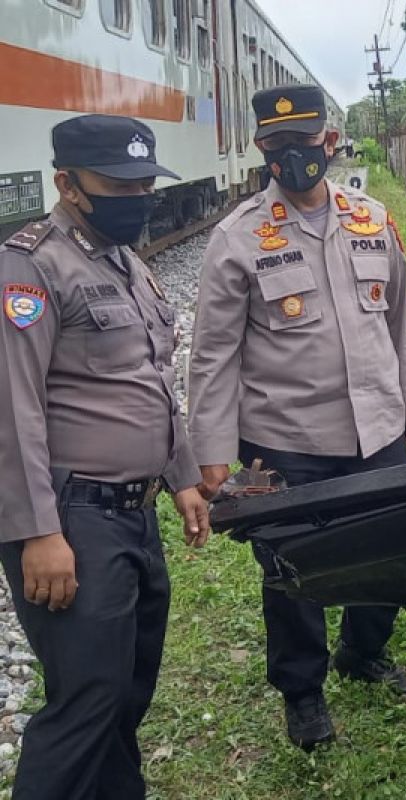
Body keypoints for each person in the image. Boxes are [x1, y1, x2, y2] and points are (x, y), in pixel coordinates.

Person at [187, 85, 406, 751]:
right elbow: (213, 355)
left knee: (387, 555)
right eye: (277, 144)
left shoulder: (372, 220)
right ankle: (302, 693)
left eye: (305, 139)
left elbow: (401, 322)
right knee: (292, 572)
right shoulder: (237, 239)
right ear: (262, 149)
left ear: (329, 140)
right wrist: (212, 451)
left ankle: (364, 652)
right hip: (285, 439)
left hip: (378, 429)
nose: (293, 154)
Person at [0, 114, 210, 800]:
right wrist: (38, 532)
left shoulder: (126, 264)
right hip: (72, 518)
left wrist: (180, 479)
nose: (138, 196)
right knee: (87, 700)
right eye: (119, 183)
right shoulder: (28, 266)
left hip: (133, 515)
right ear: (67, 184)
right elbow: (13, 409)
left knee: (128, 686)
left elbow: (151, 380)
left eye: (147, 182)